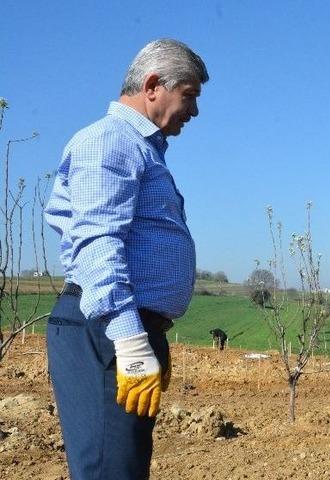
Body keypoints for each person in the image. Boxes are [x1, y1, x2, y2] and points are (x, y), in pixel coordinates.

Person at [44, 39, 208, 479]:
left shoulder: (140, 149)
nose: (193, 112)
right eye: (189, 96)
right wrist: (131, 341)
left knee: (124, 466)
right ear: (154, 85)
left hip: (122, 327)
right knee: (109, 470)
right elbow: (97, 242)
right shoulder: (110, 142)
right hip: (107, 330)